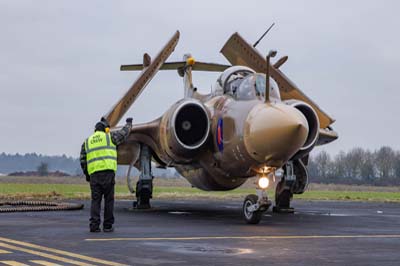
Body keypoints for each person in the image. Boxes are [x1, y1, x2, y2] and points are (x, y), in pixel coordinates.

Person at [80, 117, 132, 232]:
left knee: (95, 201)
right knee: (109, 200)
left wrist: (87, 175)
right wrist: (128, 124)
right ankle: (107, 226)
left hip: (94, 175)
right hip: (108, 174)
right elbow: (123, 134)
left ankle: (94, 226)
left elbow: (83, 160)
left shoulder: (87, 142)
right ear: (105, 129)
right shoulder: (109, 137)